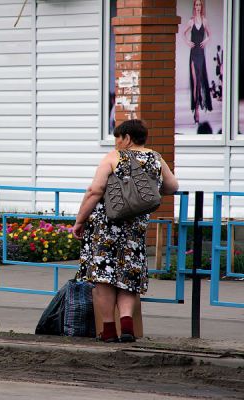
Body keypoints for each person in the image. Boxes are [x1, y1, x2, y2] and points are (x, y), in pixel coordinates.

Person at [73, 119, 179, 343]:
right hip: (135, 227)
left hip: (106, 226)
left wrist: (79, 220)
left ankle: (109, 330)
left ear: (127, 138)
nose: (116, 144)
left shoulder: (114, 157)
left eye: (117, 139)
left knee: (104, 278)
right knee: (128, 276)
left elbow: (95, 191)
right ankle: (127, 325)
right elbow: (172, 187)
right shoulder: (156, 158)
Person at [183, 0, 213, 125]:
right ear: (194, 7)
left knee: (200, 83)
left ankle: (198, 105)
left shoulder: (205, 21)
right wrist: (187, 42)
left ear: (202, 7)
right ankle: (196, 111)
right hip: (193, 54)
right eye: (196, 5)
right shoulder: (191, 21)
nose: (198, 7)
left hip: (201, 54)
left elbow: (209, 34)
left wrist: (206, 40)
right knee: (195, 83)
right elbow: (183, 33)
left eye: (200, 4)